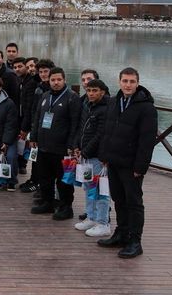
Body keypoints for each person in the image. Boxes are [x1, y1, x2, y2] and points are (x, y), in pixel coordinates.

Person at [97, 68, 158, 259]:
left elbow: (147, 140)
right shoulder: (115, 102)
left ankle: (134, 241)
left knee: (134, 202)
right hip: (114, 160)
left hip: (131, 164)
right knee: (118, 199)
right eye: (125, 81)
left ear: (137, 83)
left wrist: (141, 167)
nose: (128, 85)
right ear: (119, 82)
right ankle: (121, 233)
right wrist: (104, 156)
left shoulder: (146, 107)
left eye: (132, 81)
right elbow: (107, 131)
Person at [30, 67, 81, 220]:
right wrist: (33, 137)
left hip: (61, 147)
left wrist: (72, 145)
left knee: (63, 180)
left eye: (59, 79)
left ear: (64, 80)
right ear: (49, 81)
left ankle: (66, 207)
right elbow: (38, 118)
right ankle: (48, 202)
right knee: (45, 177)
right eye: (53, 80)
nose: (56, 82)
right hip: (44, 145)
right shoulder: (45, 96)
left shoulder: (72, 98)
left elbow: (75, 124)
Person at [73, 79, 111, 238]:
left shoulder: (106, 109)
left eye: (95, 90)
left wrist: (86, 151)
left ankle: (103, 223)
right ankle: (91, 217)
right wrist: (77, 146)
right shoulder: (87, 106)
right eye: (89, 90)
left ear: (102, 92)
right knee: (88, 188)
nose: (91, 93)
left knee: (101, 191)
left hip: (97, 157)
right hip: (86, 155)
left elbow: (100, 134)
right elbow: (82, 128)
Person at [21, 58, 54, 194]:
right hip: (37, 126)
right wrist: (28, 127)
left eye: (46, 71)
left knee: (45, 160)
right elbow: (32, 108)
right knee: (35, 156)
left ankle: (40, 184)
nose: (43, 74)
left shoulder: (53, 88)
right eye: (41, 72)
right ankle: (34, 180)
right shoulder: (38, 87)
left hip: (51, 131)